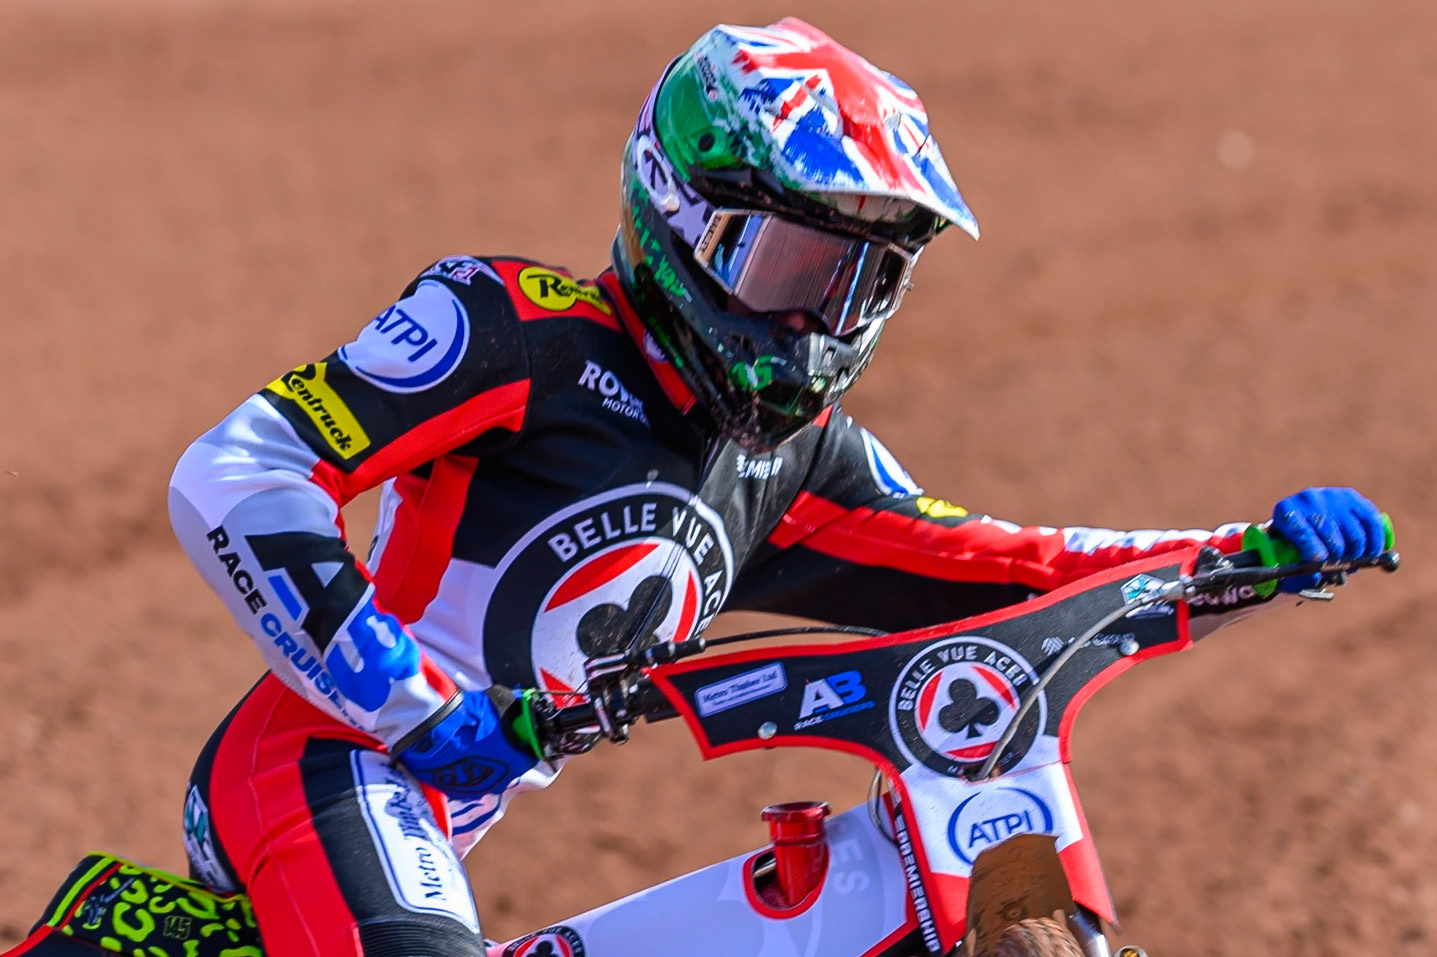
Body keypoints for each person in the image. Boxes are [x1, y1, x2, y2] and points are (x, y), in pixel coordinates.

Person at [165, 17, 1391, 957]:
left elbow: (1018, 572)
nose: (816, 320)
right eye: (790, 262)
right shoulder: (515, 333)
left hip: (444, 817)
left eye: (858, 282)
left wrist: (1243, 557)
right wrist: (423, 711)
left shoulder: (788, 465)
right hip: (331, 765)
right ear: (682, 215)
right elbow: (237, 474)